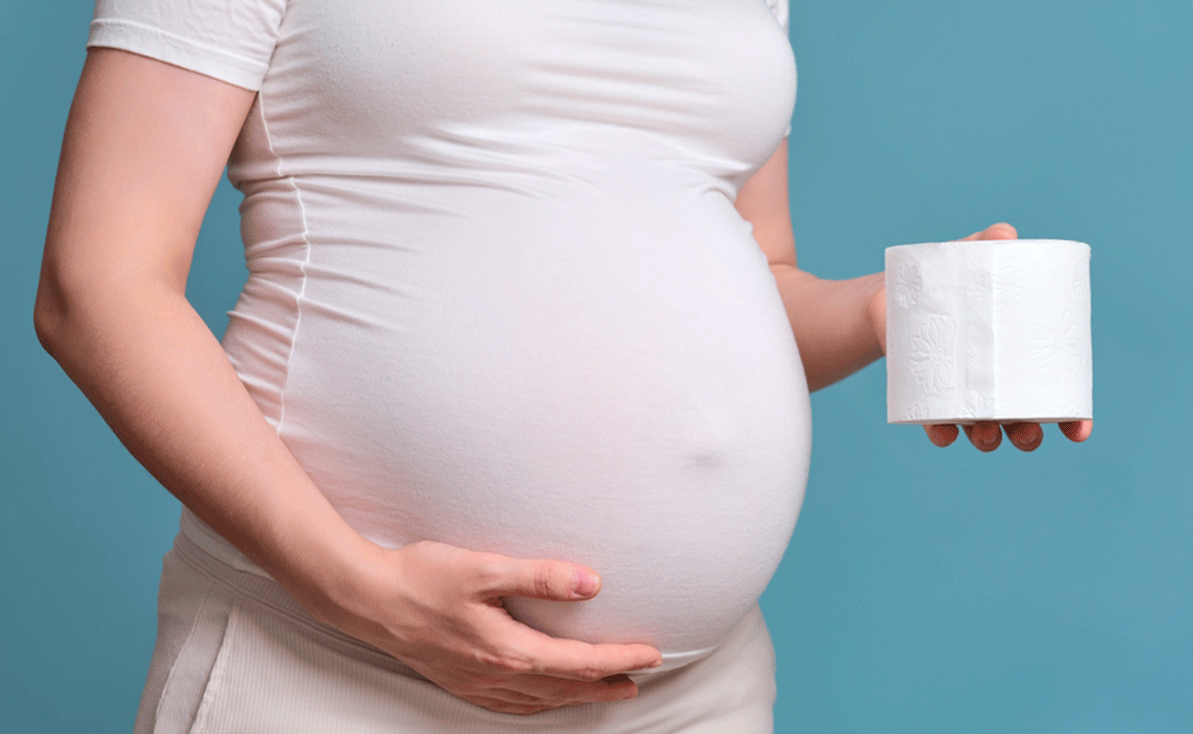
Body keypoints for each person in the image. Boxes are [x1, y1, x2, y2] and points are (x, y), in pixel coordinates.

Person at [35, 1, 1092, 732]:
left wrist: (881, 314)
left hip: (687, 696)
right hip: (333, 666)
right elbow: (99, 280)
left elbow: (754, 270)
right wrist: (359, 588)